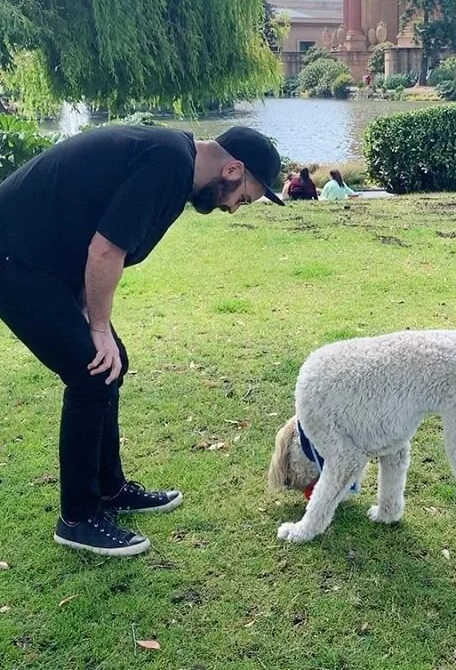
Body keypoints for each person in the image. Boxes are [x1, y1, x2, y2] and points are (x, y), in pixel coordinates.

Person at [0, 123, 284, 556]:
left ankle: (110, 489)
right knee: (91, 371)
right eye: (242, 198)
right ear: (232, 170)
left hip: (46, 260)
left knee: (111, 365)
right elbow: (105, 251)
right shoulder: (169, 164)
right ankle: (78, 518)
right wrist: (97, 329)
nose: (232, 209)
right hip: (14, 258)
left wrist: (89, 313)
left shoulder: (173, 158)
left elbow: (90, 231)